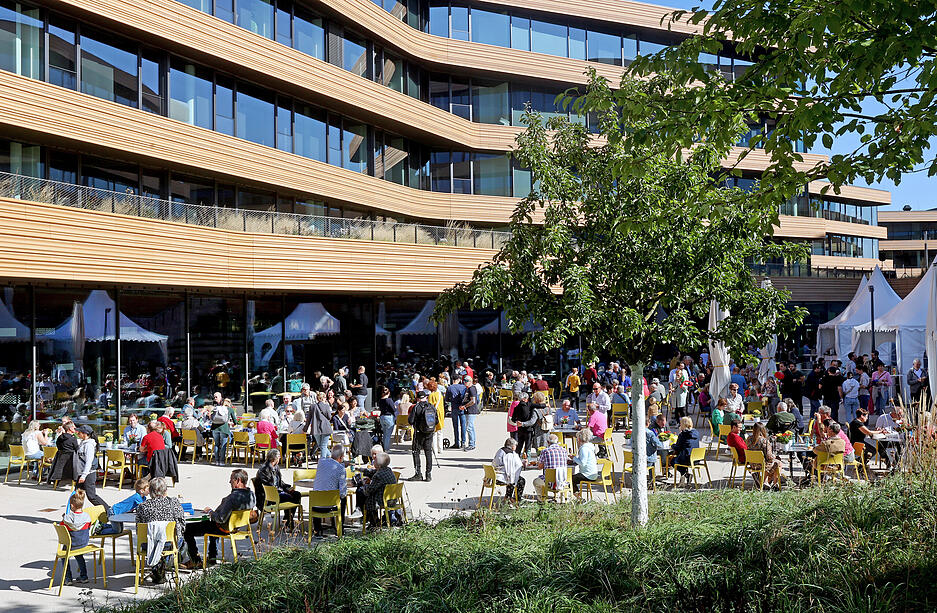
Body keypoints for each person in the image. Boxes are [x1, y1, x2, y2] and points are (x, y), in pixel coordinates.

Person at [184, 469, 255, 566]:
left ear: (238, 480)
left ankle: (195, 560)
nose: (229, 482)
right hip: (236, 526)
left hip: (224, 527)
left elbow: (220, 519)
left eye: (231, 479)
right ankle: (212, 557)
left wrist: (210, 512)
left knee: (188, 529)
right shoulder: (251, 495)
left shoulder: (231, 498)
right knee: (213, 524)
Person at [137, 477, 190, 578]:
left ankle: (158, 567)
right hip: (169, 543)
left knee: (159, 540)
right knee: (182, 541)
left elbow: (138, 529)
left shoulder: (142, 506)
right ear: (165, 490)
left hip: (148, 545)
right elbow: (182, 525)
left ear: (151, 491)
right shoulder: (173, 503)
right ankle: (163, 565)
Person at [257, 448, 303, 531]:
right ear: (274, 458)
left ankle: (287, 520)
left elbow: (280, 482)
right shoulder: (264, 469)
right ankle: (289, 523)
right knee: (289, 498)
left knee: (297, 494)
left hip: (277, 492)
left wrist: (288, 488)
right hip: (269, 497)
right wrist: (282, 491)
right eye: (279, 457)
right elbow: (268, 486)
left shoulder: (276, 467)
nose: (280, 458)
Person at [355, 452, 396, 528]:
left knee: (361, 493)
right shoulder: (388, 470)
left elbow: (369, 490)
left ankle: (372, 520)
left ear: (378, 465)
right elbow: (372, 472)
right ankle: (371, 519)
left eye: (375, 461)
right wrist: (360, 469)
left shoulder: (378, 475)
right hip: (392, 498)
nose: (373, 462)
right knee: (363, 493)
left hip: (382, 500)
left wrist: (363, 483)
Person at [59, 489, 91, 584]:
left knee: (64, 556)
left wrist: (64, 518)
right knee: (79, 555)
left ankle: (68, 578)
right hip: (83, 543)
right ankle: (84, 576)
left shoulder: (67, 518)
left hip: (72, 544)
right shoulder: (87, 517)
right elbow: (89, 527)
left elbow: (62, 528)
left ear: (72, 505)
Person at [74, 425, 108, 510]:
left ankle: (108, 510)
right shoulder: (82, 442)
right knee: (76, 496)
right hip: (82, 473)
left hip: (88, 474)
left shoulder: (89, 445)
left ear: (85, 434)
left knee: (91, 496)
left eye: (79, 432)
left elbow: (89, 461)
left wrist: (84, 475)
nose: (78, 433)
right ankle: (74, 513)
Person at [407, 390, 436, 482]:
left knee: (416, 452)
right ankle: (428, 474)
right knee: (428, 453)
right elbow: (437, 421)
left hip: (419, 433)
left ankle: (418, 473)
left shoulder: (416, 407)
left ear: (417, 398)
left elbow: (410, 421)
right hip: (429, 433)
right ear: (426, 397)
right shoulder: (431, 406)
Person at [746, 423, 782, 488]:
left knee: (771, 462)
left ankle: (765, 481)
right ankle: (775, 483)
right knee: (778, 463)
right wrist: (774, 456)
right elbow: (769, 457)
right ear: (763, 430)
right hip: (762, 465)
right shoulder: (764, 441)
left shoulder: (748, 439)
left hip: (752, 464)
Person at [533, 434, 568, 500]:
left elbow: (540, 467)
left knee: (536, 481)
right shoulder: (564, 451)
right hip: (562, 479)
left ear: (548, 442)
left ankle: (542, 498)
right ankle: (561, 497)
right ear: (557, 442)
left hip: (549, 480)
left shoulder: (545, 451)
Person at [668, 416, 700, 483]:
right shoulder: (696, 433)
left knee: (673, 461)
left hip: (687, 458)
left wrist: (671, 445)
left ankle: (685, 474)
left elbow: (677, 447)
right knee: (681, 457)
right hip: (696, 458)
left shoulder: (683, 435)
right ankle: (685, 475)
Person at [303, 391, 333, 459]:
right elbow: (329, 417)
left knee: (321, 445)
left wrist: (305, 429)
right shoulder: (327, 406)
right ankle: (324, 460)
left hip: (316, 428)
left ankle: (327, 457)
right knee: (323, 445)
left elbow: (308, 419)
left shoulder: (312, 406)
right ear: (324, 398)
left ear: (317, 398)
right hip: (326, 427)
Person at [47, 421, 78, 485]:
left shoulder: (59, 438)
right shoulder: (73, 439)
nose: (76, 428)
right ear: (70, 429)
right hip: (71, 463)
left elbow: (59, 447)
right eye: (74, 427)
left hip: (60, 461)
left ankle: (56, 483)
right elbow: (77, 449)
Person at [569, 429, 599, 496]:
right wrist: (575, 459)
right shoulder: (590, 446)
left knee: (570, 479)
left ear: (579, 439)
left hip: (587, 475)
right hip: (593, 474)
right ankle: (578, 495)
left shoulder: (584, 449)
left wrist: (573, 458)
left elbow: (582, 463)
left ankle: (578, 497)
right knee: (573, 478)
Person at [210, 394, 232, 466]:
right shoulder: (229, 409)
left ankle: (216, 461)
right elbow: (235, 421)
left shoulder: (215, 408)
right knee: (223, 445)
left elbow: (211, 417)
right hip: (224, 429)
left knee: (216, 444)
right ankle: (222, 461)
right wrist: (231, 423)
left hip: (215, 428)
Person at [445, 377, 467, 449]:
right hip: (462, 407)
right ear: (459, 380)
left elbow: (447, 399)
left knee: (455, 426)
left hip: (454, 407)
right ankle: (463, 442)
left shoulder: (449, 388)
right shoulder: (463, 387)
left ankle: (457, 442)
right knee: (463, 425)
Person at [426, 380, 446, 455]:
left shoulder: (431, 395)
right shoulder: (440, 394)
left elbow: (430, 406)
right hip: (440, 414)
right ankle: (441, 449)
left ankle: (435, 449)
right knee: (440, 432)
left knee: (433, 433)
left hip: (433, 415)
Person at [461, 375, 480, 451]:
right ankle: (471, 443)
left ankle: (472, 444)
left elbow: (473, 401)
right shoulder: (467, 389)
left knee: (469, 427)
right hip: (467, 410)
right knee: (469, 427)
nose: (464, 382)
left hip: (471, 410)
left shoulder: (472, 389)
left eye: (466, 381)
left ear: (470, 382)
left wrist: (465, 406)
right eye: (464, 381)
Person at [377, 387, 396, 451]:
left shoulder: (380, 400)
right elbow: (393, 409)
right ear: (389, 393)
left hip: (382, 416)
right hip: (389, 417)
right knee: (388, 434)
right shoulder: (389, 400)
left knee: (385, 434)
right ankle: (386, 448)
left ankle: (383, 447)